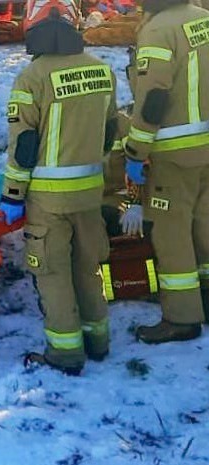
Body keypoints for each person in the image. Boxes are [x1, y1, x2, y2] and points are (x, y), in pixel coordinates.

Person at [0, 0, 118, 375]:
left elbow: (24, 146)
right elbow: (110, 131)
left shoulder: (31, 78)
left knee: (53, 274)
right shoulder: (102, 70)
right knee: (88, 267)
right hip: (90, 191)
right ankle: (98, 341)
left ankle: (65, 354)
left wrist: (12, 196)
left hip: (49, 200)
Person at [123, 0, 209, 343]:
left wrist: (136, 151)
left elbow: (153, 100)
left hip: (175, 155)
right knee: (205, 225)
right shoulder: (203, 19)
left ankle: (181, 318)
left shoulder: (158, 31)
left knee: (172, 235)